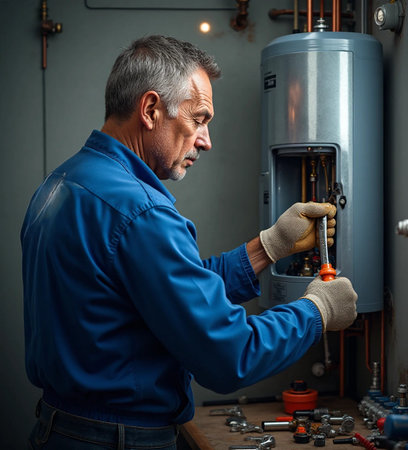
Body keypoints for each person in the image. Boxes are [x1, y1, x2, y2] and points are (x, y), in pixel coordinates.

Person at [21, 35, 358, 450]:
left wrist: (267, 248)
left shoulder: (63, 183)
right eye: (198, 119)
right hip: (118, 439)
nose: (206, 139)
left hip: (59, 428)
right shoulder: (140, 212)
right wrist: (318, 310)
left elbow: (160, 292)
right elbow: (230, 356)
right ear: (150, 110)